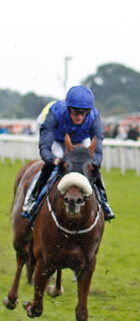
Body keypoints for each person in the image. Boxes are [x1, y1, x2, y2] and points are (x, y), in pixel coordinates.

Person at [23, 85, 114, 220]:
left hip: (80, 139)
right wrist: (52, 159)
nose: (80, 117)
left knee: (92, 166)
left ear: (89, 111)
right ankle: (32, 198)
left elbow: (98, 149)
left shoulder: (94, 117)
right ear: (68, 108)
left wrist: (95, 162)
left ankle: (104, 201)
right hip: (57, 139)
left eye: (84, 112)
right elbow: (45, 147)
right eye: (76, 112)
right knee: (52, 162)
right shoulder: (55, 112)